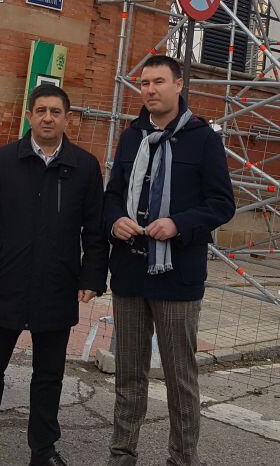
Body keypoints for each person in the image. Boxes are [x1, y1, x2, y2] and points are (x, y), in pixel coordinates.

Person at [0, 84, 107, 466]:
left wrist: (92, 277)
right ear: (29, 116)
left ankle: (43, 451)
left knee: (49, 378)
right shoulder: (2, 161)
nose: (47, 118)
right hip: (3, 284)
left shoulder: (85, 166)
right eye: (40, 110)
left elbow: (94, 230)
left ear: (66, 118)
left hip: (56, 287)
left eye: (55, 112)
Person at [103, 54, 235, 466]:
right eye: (144, 83)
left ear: (179, 85)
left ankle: (182, 457)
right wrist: (115, 221)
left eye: (159, 81)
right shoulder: (131, 136)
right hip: (129, 271)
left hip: (177, 276)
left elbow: (221, 204)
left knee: (180, 377)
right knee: (128, 375)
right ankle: (122, 454)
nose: (150, 90)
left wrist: (178, 224)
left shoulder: (203, 139)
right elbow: (111, 195)